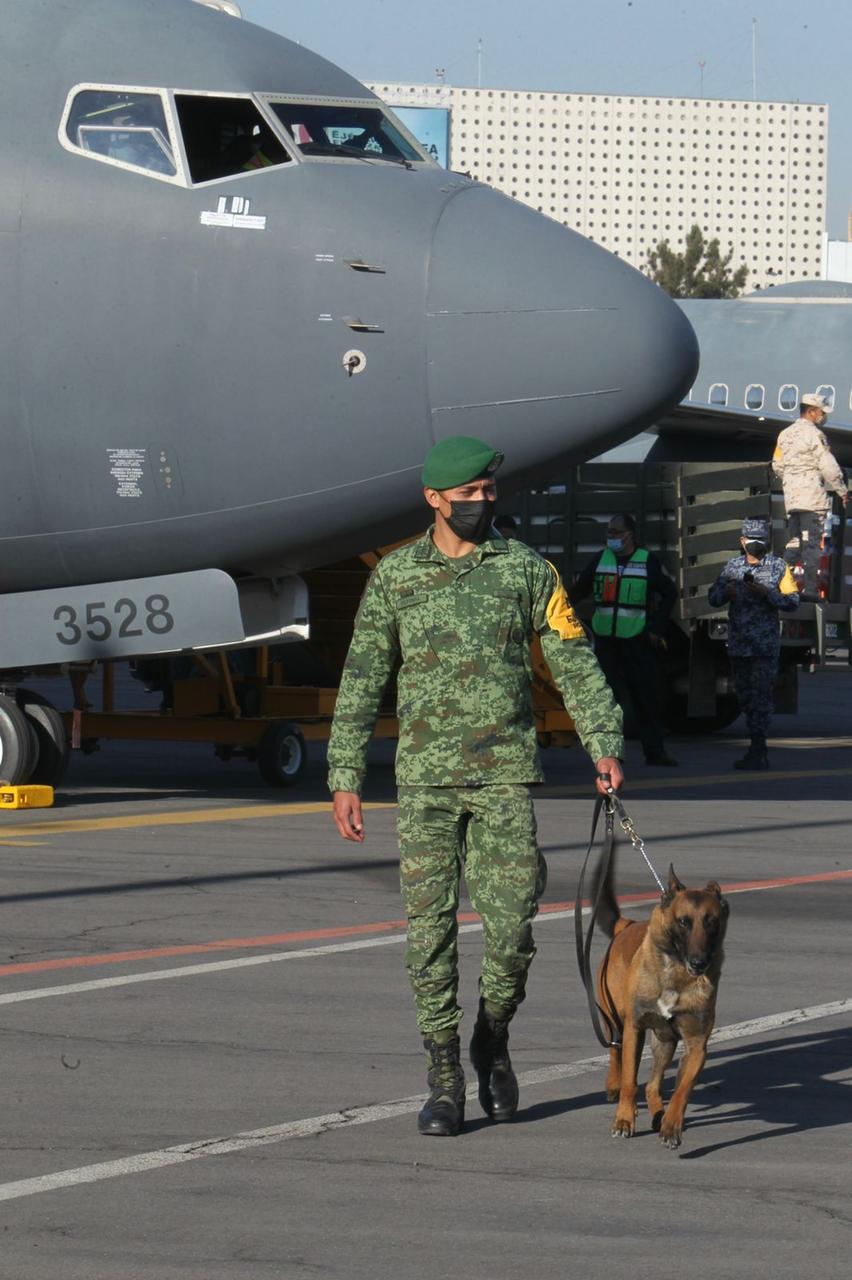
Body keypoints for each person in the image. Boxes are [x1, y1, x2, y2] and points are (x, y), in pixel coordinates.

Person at [328, 435, 624, 1138]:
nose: (483, 502)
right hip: (426, 782)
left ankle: (491, 1037)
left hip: (503, 778)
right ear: (434, 499)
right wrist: (345, 774)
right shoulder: (396, 578)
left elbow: (572, 658)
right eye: (468, 495)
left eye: (489, 492)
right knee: (427, 935)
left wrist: (603, 742)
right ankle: (442, 1076)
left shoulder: (526, 571)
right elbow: (363, 677)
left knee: (514, 928)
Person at [571, 513, 678, 767]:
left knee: (645, 697)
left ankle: (655, 752)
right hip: (606, 640)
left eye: (616, 533)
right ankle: (605, 755)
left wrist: (656, 628)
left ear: (630, 534)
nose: (612, 537)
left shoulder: (647, 561)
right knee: (603, 699)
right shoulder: (601, 559)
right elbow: (579, 591)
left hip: (636, 639)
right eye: (609, 532)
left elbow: (669, 593)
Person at [707, 517, 799, 770]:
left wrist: (767, 594)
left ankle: (758, 749)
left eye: (761, 540)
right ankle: (755, 743)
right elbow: (712, 598)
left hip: (764, 647)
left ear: (767, 542)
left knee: (761, 697)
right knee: (744, 696)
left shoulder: (779, 567)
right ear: (742, 541)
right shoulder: (732, 568)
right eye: (751, 540)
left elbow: (792, 601)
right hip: (739, 645)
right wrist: (727, 593)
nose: (756, 544)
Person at [772, 393, 848, 600]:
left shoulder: (784, 434)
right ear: (812, 411)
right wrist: (841, 489)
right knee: (812, 544)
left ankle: (782, 585)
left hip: (792, 496)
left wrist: (793, 477)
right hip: (812, 497)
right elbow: (827, 465)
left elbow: (777, 464)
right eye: (822, 412)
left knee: (794, 541)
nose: (823, 416)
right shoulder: (815, 435)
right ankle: (811, 590)